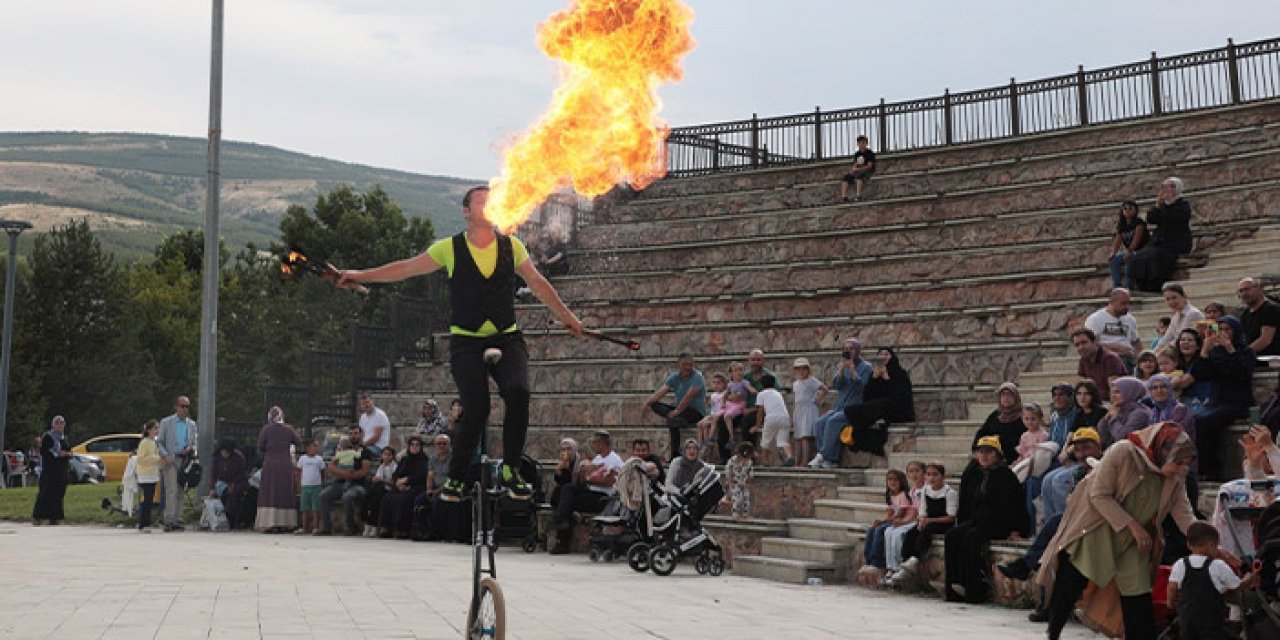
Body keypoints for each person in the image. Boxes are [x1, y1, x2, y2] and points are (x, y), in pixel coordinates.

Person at [338, 185, 585, 502]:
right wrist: (360, 274)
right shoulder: (450, 248)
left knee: (519, 392)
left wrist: (569, 318)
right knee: (477, 406)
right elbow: (404, 268)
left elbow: (537, 283)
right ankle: (455, 477)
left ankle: (511, 469)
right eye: (480, 202)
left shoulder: (512, 246)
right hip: (466, 342)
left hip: (506, 337)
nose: (487, 206)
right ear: (466, 212)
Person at [1039, 422, 1200, 640]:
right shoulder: (1123, 451)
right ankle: (1054, 631)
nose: (1183, 469)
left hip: (1135, 540)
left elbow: (1184, 514)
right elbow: (1099, 495)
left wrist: (1207, 542)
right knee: (1072, 581)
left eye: (1186, 463)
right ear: (1162, 453)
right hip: (1099, 527)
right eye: (1179, 462)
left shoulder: (1175, 478)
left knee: (1138, 595)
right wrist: (1132, 526)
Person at [944, 436, 1028, 603]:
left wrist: (1016, 529)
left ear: (997, 455)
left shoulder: (1004, 475)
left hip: (999, 523)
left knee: (972, 539)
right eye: (981, 452)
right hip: (980, 520)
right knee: (952, 535)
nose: (984, 456)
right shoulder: (980, 474)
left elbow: (1013, 505)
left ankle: (975, 589)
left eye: (989, 452)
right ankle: (954, 586)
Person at [1168, 521, 1255, 640]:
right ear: (1211, 545)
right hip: (1211, 625)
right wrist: (1249, 578)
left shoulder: (1180, 564)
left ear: (1188, 544)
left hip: (1187, 623)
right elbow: (1237, 586)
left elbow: (1172, 587)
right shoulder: (1217, 565)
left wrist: (1170, 602)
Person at [1194, 316, 1256, 480]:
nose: (1224, 333)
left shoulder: (1246, 351)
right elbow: (1200, 374)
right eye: (1220, 329)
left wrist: (1230, 349)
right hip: (1217, 402)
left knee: (1204, 421)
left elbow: (1243, 374)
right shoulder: (1215, 352)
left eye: (1228, 329)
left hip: (1238, 402)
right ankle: (1208, 468)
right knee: (1198, 419)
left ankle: (1207, 470)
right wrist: (1205, 351)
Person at [549, 431, 622, 554]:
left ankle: (561, 530)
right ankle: (563, 522)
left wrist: (591, 478)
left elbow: (611, 481)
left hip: (603, 497)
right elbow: (585, 479)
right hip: (590, 492)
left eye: (595, 443)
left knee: (566, 500)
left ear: (601, 443)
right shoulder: (598, 458)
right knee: (563, 491)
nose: (593, 446)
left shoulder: (614, 460)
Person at [810, 338, 873, 469]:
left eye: (851, 349)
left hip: (856, 408)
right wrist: (841, 370)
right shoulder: (840, 366)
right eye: (845, 349)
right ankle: (830, 460)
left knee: (834, 421)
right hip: (840, 406)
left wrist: (853, 371)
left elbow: (864, 388)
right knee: (820, 422)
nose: (848, 351)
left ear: (857, 350)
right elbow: (837, 386)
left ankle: (823, 455)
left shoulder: (866, 367)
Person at [843, 347, 915, 457]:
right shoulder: (875, 374)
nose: (884, 357)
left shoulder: (900, 374)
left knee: (883, 403)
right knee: (852, 409)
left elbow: (901, 396)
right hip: (881, 409)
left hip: (900, 410)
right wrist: (874, 379)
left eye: (886, 354)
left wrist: (887, 379)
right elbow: (867, 397)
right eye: (881, 355)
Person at [893, 462, 958, 586]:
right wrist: (922, 519)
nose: (931, 478)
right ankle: (905, 561)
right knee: (912, 532)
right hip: (928, 521)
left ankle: (915, 558)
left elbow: (950, 517)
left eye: (935, 475)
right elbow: (922, 510)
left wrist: (929, 521)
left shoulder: (950, 493)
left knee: (927, 531)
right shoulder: (925, 490)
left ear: (942, 477)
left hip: (943, 522)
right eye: (928, 475)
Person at [1131, 176, 1194, 293]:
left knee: (1157, 256)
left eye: (1171, 187)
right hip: (1160, 241)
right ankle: (1142, 285)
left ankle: (1155, 285)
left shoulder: (1183, 204)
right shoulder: (1162, 206)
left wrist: (1166, 206)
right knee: (1139, 256)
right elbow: (1151, 219)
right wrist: (1158, 205)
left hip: (1176, 242)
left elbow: (1175, 219)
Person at [643, 353, 707, 460]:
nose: (688, 367)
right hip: (679, 411)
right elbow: (661, 392)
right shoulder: (674, 377)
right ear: (679, 365)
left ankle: (675, 455)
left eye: (690, 365)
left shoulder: (697, 377)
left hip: (695, 411)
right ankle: (676, 419)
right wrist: (646, 403)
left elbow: (689, 396)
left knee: (672, 422)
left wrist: (677, 411)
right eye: (685, 364)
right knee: (655, 405)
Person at [316, 424, 377, 535]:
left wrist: (349, 476)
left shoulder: (365, 452)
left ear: (361, 435)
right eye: (350, 434)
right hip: (340, 483)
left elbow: (364, 471)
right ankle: (326, 528)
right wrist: (344, 474)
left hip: (357, 485)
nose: (353, 436)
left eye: (355, 433)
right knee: (323, 496)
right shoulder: (342, 450)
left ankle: (351, 528)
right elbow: (331, 466)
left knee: (347, 497)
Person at [859, 468, 915, 585]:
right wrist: (881, 520)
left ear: (902, 482)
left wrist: (883, 522)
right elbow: (890, 512)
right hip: (893, 519)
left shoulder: (903, 495)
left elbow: (900, 514)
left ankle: (877, 562)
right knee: (871, 530)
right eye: (889, 479)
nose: (892, 482)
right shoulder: (890, 495)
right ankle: (869, 561)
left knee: (880, 530)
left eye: (895, 480)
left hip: (901, 520)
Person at [254, 406, 302, 533]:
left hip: (270, 463)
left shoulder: (267, 429)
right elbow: (298, 441)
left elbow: (260, 446)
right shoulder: (288, 429)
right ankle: (286, 523)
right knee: (284, 492)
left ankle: (270, 523)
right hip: (285, 464)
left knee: (270, 492)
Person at [157, 395, 198, 532]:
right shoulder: (166, 422)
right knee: (171, 490)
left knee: (181, 489)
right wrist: (165, 455)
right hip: (171, 459)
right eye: (182, 406)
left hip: (184, 460)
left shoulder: (191, 425)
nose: (185, 409)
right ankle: (168, 520)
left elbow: (194, 442)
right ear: (176, 407)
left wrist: (191, 449)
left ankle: (176, 518)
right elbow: (160, 442)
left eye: (187, 407)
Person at [379, 436, 430, 539]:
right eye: (412, 445)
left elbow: (421, 475)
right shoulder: (405, 459)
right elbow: (396, 473)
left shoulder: (424, 460)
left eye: (417, 445)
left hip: (416, 487)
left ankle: (402, 529)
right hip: (401, 486)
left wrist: (407, 480)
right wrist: (398, 482)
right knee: (387, 497)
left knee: (403, 499)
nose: (414, 447)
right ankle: (386, 528)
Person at [1084, 288, 1143, 369]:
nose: (1127, 307)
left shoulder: (1130, 319)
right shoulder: (1095, 319)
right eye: (1123, 303)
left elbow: (1136, 342)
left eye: (1128, 303)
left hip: (1128, 358)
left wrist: (1142, 357)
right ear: (1112, 302)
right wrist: (1116, 348)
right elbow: (1091, 345)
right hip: (1105, 359)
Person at [970, 382, 1027, 466]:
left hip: (1011, 457)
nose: (1006, 398)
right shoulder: (995, 415)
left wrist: (999, 440)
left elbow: (1022, 440)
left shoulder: (1024, 417)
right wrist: (976, 450)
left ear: (1016, 397)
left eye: (1009, 395)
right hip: (989, 455)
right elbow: (981, 433)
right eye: (1003, 395)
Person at [789, 357, 827, 469]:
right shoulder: (796, 383)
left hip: (808, 409)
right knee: (798, 437)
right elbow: (797, 400)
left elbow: (824, 389)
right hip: (799, 410)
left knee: (805, 436)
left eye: (803, 369)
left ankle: (805, 462)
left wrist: (817, 400)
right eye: (798, 369)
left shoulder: (811, 381)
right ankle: (797, 462)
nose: (801, 371)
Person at [1098, 376, 1154, 448]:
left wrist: (1114, 418)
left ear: (1129, 392)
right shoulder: (1119, 410)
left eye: (1117, 392)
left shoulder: (1140, 413)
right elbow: (1104, 438)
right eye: (1112, 392)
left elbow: (1122, 438)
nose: (1113, 396)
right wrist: (1105, 420)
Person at [752, 374, 792, 467]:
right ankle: (790, 456)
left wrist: (757, 425)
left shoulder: (761, 394)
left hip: (771, 418)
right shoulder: (777, 393)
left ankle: (765, 462)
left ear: (761, 385)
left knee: (765, 441)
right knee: (783, 442)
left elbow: (760, 411)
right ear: (774, 384)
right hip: (785, 418)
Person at [1073, 328, 1127, 396]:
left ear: (1095, 341)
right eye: (1077, 345)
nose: (1081, 347)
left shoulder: (1110, 358)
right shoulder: (1084, 359)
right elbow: (1080, 385)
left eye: (1084, 342)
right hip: (1095, 401)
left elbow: (1114, 390)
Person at [1171, 328, 1214, 413]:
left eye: (1190, 340)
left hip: (1199, 400)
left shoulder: (1202, 362)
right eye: (1182, 340)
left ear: (1198, 346)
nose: (1186, 342)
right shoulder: (1174, 362)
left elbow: (1182, 384)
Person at [210, 437, 249, 529]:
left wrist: (234, 484)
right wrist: (212, 488)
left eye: (227, 452)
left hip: (237, 482)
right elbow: (213, 475)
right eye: (223, 452)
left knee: (234, 494)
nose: (224, 454)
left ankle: (232, 519)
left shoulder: (238, 457)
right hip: (222, 482)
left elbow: (242, 474)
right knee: (224, 492)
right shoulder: (217, 458)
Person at [1108, 200, 1147, 290]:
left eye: (1130, 208)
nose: (1127, 210)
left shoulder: (1139, 223)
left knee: (1129, 257)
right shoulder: (1121, 225)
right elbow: (1117, 240)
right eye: (1125, 209)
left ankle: (1130, 286)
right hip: (1130, 251)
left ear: (1135, 210)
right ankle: (1117, 286)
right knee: (1114, 260)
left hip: (1142, 250)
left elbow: (1136, 240)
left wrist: (1129, 251)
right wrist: (1113, 253)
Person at [1238, 277, 1280, 356]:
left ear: (1259, 289)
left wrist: (1243, 354)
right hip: (1253, 360)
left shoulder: (1271, 309)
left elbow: (1265, 340)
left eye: (1247, 289)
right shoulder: (1245, 314)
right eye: (1241, 291)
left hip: (1270, 362)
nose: (1244, 293)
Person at [363, 446, 398, 537]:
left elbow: (393, 482)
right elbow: (377, 479)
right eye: (385, 454)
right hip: (380, 490)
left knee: (377, 499)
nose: (386, 457)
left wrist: (382, 480)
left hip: (389, 490)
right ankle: (368, 523)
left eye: (389, 455)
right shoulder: (381, 467)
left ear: (392, 456)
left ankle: (372, 525)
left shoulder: (395, 467)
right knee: (370, 498)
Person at [135, 420, 162, 532]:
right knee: (146, 500)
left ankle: (146, 522)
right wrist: (157, 459)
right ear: (149, 430)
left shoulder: (153, 442)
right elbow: (141, 458)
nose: (157, 431)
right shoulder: (145, 442)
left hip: (153, 474)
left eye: (157, 428)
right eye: (155, 428)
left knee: (149, 499)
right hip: (145, 474)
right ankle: (143, 523)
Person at [295, 440, 324, 535]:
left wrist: (321, 484)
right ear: (307, 448)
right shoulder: (302, 459)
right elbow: (299, 472)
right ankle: (304, 527)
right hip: (305, 486)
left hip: (316, 486)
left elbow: (321, 472)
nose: (316, 448)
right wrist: (298, 485)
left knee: (315, 508)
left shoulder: (319, 459)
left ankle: (315, 527)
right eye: (313, 446)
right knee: (304, 508)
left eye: (316, 446)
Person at [722, 442, 754, 521]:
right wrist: (729, 482)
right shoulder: (732, 461)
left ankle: (745, 514)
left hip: (743, 483)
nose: (744, 460)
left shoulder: (749, 462)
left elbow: (750, 471)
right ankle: (735, 514)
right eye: (743, 458)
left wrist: (750, 477)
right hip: (734, 483)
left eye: (747, 458)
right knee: (737, 499)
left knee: (746, 498)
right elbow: (728, 471)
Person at [696, 373, 727, 454]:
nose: (716, 385)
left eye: (718, 383)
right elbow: (713, 408)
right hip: (712, 414)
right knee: (700, 424)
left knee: (706, 425)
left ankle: (708, 442)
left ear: (724, 384)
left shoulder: (725, 394)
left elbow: (724, 407)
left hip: (719, 415)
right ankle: (699, 444)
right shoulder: (713, 395)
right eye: (714, 383)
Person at [838, 135, 876, 201]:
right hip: (858, 170)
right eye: (860, 143)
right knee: (846, 177)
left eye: (863, 143)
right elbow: (856, 164)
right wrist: (853, 170)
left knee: (859, 176)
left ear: (866, 144)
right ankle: (844, 197)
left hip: (868, 170)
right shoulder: (857, 154)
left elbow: (869, 166)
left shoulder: (870, 153)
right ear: (857, 144)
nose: (861, 144)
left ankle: (859, 195)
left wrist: (859, 169)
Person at [1045, 383, 1080, 450]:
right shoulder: (1054, 416)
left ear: (1071, 397)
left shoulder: (1077, 415)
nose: (1057, 398)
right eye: (1054, 395)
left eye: (1061, 394)